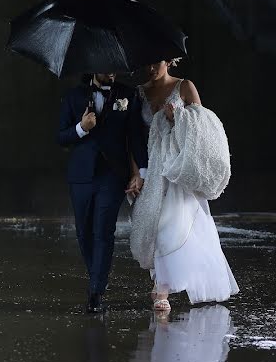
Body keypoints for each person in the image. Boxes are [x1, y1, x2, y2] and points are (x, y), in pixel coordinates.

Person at [128, 60, 239, 311]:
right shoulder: (139, 93)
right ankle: (160, 280)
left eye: (156, 62)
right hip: (154, 167)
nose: (151, 67)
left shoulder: (185, 86)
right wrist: (137, 173)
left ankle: (161, 290)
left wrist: (179, 116)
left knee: (171, 224)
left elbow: (204, 130)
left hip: (179, 168)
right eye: (148, 62)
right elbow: (133, 137)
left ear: (168, 61)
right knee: (154, 225)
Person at [57, 72, 146, 313]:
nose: (111, 74)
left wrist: (141, 173)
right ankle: (96, 277)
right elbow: (61, 137)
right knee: (83, 232)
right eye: (106, 68)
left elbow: (136, 136)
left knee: (103, 231)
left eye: (115, 69)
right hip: (81, 176)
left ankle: (96, 291)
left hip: (113, 174)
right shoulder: (74, 95)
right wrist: (82, 128)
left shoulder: (127, 95)